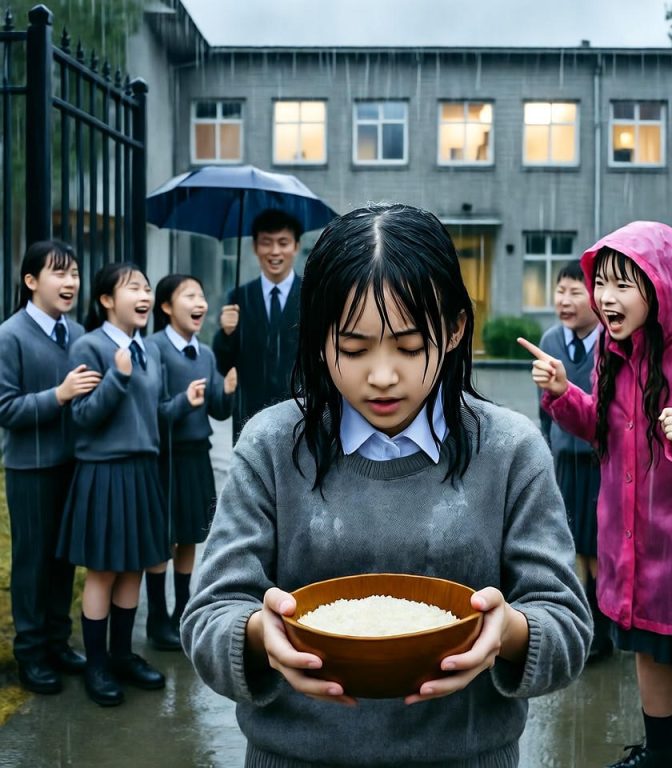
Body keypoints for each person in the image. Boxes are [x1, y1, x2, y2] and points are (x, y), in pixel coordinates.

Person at [182, 203, 592, 768]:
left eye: (407, 345)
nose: (381, 375)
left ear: (452, 330)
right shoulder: (272, 445)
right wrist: (257, 634)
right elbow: (210, 613)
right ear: (320, 336)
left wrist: (511, 632)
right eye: (352, 348)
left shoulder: (510, 449)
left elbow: (566, 622)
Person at [521, 221, 672, 768]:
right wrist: (563, 394)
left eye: (624, 284)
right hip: (636, 546)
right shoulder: (615, 346)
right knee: (647, 655)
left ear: (660, 286)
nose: (606, 297)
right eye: (601, 282)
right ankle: (660, 754)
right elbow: (606, 428)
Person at [56, 262, 205, 707]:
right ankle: (97, 666)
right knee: (103, 570)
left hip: (143, 471)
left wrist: (183, 402)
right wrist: (117, 378)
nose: (143, 295)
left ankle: (123, 656)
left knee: (135, 567)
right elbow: (81, 418)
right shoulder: (90, 346)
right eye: (132, 288)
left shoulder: (148, 350)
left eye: (145, 287)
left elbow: (154, 413)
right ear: (106, 300)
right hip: (104, 471)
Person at [0, 240, 101, 695]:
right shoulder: (10, 335)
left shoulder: (78, 332)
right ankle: (31, 652)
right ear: (31, 281)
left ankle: (59, 643)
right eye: (59, 273)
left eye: (75, 273)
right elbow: (6, 409)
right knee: (33, 562)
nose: (70, 283)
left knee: (65, 560)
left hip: (73, 465)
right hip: (31, 469)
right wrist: (58, 395)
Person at [144, 274, 237, 651]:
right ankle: (155, 617)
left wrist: (227, 390)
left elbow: (217, 409)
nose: (200, 303)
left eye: (201, 295)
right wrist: (184, 401)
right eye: (190, 296)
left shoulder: (206, 353)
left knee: (189, 535)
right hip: (166, 456)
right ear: (166, 307)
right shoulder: (154, 349)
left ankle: (182, 609)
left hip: (197, 453)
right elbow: (151, 412)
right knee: (162, 536)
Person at [538, 260, 612, 663]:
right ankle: (582, 627)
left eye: (575, 292)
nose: (564, 301)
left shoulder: (611, 342)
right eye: (560, 291)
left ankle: (603, 631)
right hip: (565, 461)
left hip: (601, 464)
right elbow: (543, 409)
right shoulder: (550, 339)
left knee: (599, 549)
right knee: (572, 547)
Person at [213, 208, 303, 442]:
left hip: (299, 413)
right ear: (255, 247)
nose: (275, 251)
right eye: (267, 243)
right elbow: (222, 365)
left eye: (283, 243)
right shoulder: (238, 297)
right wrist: (226, 334)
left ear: (296, 246)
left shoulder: (312, 294)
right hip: (249, 416)